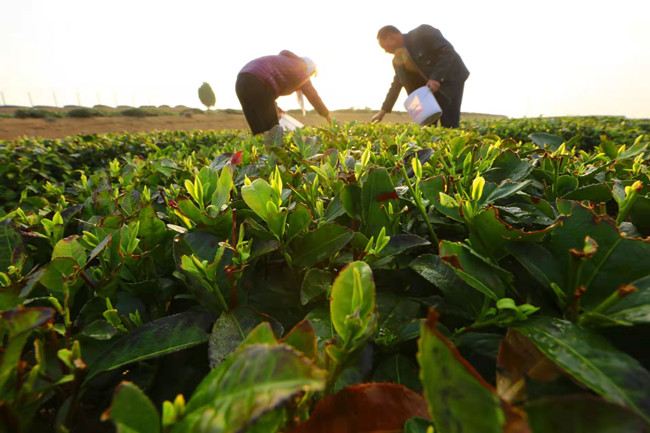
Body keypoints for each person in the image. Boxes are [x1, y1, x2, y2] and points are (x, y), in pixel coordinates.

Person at [371, 25, 469, 128]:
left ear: (391, 37)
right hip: (428, 90)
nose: (386, 51)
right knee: (428, 125)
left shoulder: (422, 33)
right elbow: (396, 85)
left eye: (384, 47)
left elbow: (448, 52)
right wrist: (382, 112)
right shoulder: (398, 60)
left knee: (449, 122)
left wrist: (436, 78)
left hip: (450, 78)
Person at [235, 51, 331, 135]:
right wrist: (326, 114)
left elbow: (264, 93)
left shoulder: (285, 61)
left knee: (258, 130)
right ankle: (272, 154)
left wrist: (275, 107)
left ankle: (262, 154)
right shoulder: (300, 68)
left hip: (241, 82)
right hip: (257, 82)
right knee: (273, 131)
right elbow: (312, 95)